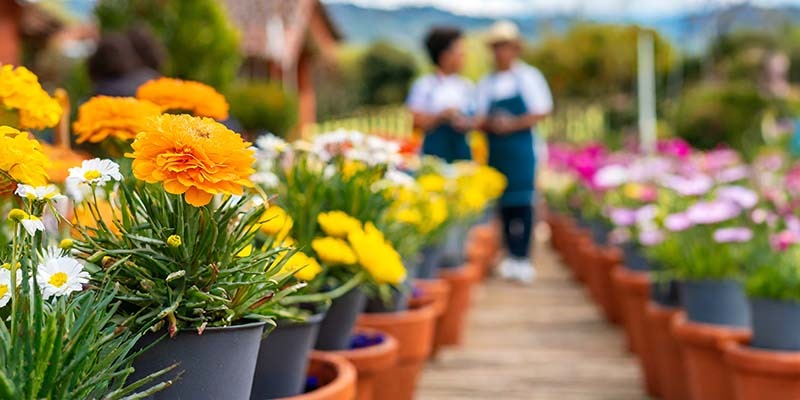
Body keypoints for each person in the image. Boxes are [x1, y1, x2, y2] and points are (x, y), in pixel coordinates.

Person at [476, 20, 553, 283]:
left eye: (504, 46)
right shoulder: (487, 83)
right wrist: (492, 124)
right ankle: (509, 254)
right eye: (496, 47)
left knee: (523, 202)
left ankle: (523, 256)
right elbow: (479, 116)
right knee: (504, 204)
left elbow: (541, 111)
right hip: (497, 151)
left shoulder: (528, 77)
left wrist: (512, 124)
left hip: (521, 149)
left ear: (515, 48)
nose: (500, 52)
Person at [406, 26, 473, 162]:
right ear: (445, 55)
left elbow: (476, 120)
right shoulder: (425, 85)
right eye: (459, 51)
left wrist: (466, 123)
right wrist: (442, 116)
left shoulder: (466, 86)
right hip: (433, 155)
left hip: (461, 153)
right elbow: (414, 122)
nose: (463, 56)